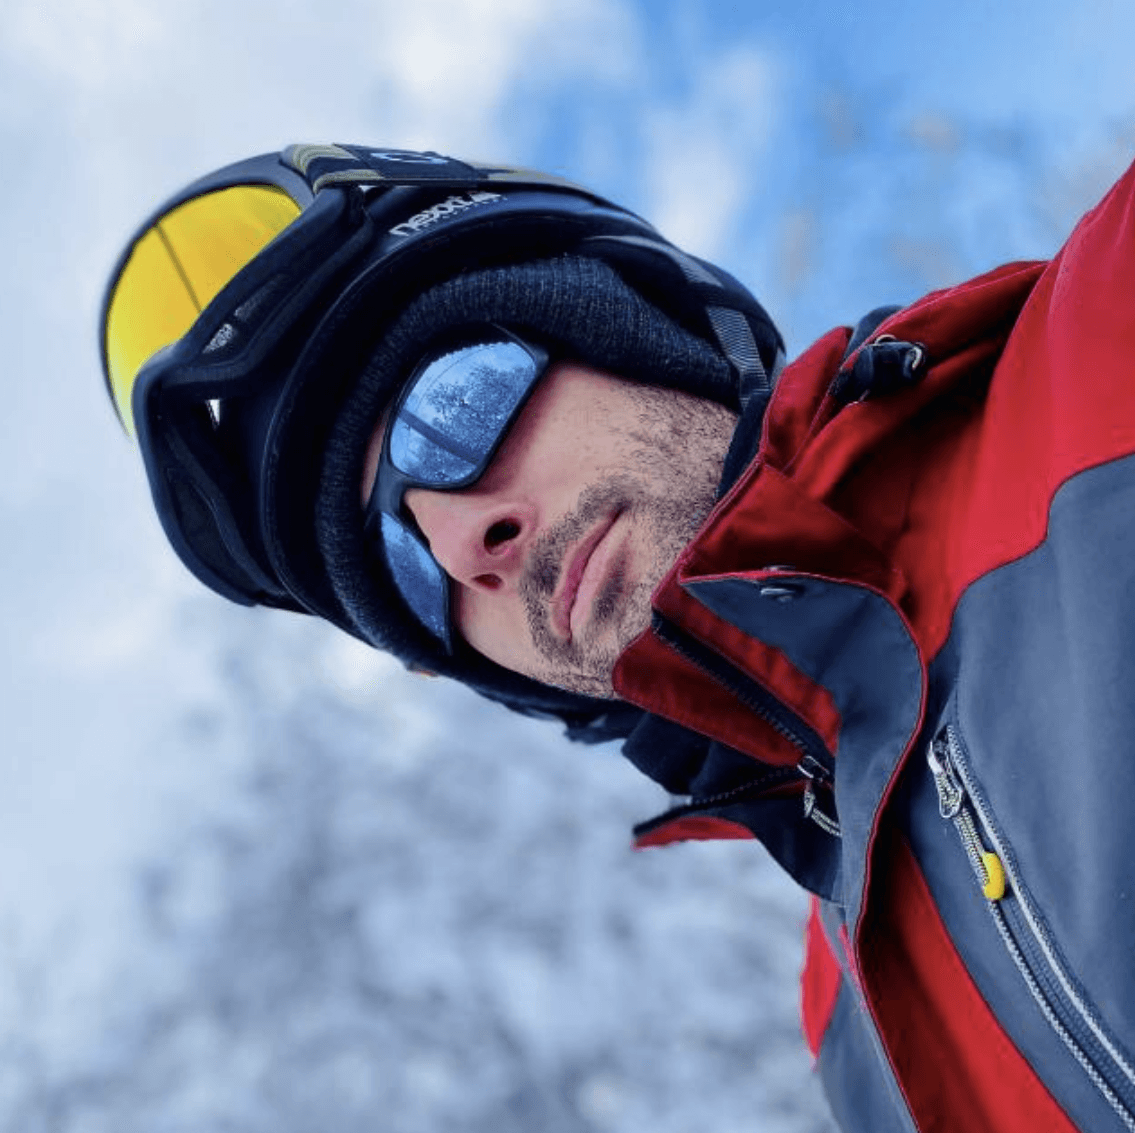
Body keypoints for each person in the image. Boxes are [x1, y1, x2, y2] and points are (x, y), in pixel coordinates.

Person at [101, 142, 1135, 1133]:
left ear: (631, 324)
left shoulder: (1105, 342)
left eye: (452, 411)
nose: (467, 543)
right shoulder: (849, 1030)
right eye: (404, 568)